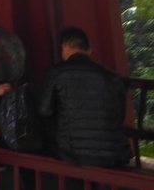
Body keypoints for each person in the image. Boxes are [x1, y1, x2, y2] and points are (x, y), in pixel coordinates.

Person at [38, 27, 132, 167]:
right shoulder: (113, 76)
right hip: (115, 153)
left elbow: (44, 111)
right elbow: (120, 114)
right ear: (89, 50)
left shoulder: (56, 73)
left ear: (64, 47)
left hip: (73, 154)